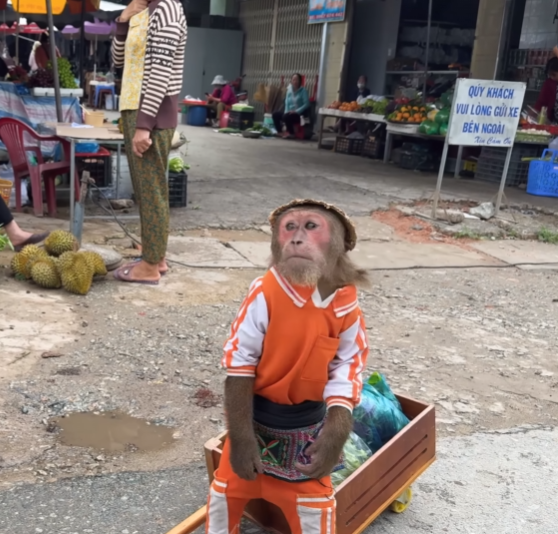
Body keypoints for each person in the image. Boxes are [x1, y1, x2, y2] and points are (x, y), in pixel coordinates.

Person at [206, 199, 369, 534]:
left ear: (338, 245)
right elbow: (239, 365)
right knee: (224, 497)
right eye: (289, 228)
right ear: (276, 244)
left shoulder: (346, 305)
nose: (297, 237)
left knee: (314, 511)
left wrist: (337, 430)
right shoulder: (267, 291)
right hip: (254, 419)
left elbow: (348, 367)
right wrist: (240, 438)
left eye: (311, 227)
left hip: (306, 427)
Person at [111, 0, 187, 285]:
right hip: (134, 108)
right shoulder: (142, 11)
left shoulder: (167, 8)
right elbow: (118, 62)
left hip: (151, 115)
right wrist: (123, 20)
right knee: (146, 190)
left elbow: (160, 71)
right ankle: (156, 256)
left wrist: (144, 124)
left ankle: (150, 265)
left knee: (152, 190)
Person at [273, 73, 310, 138]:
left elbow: (307, 104)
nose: (295, 81)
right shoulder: (289, 91)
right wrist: (286, 113)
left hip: (299, 115)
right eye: (293, 80)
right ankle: (280, 132)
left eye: (297, 80)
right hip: (289, 114)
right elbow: (286, 103)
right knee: (275, 114)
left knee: (286, 116)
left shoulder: (303, 91)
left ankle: (291, 133)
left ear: (300, 81)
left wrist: (296, 111)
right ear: (291, 81)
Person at [535, 56, 558, 123]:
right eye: (549, 75)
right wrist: (535, 112)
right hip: (553, 122)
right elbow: (541, 102)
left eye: (554, 74)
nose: (551, 77)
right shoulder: (549, 83)